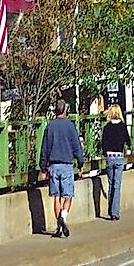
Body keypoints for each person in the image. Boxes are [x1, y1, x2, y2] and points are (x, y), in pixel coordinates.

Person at [39, 99, 84, 238]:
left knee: (56, 197)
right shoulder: (70, 126)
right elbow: (77, 146)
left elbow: (44, 148)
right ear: (65, 110)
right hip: (66, 165)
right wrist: (80, 163)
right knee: (68, 196)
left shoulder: (49, 126)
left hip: (53, 165)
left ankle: (59, 226)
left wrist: (43, 168)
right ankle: (63, 218)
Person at [101, 105, 131, 220]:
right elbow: (127, 141)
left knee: (110, 184)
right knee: (117, 185)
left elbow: (103, 143)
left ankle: (111, 210)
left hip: (109, 156)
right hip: (119, 157)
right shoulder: (122, 127)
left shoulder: (107, 127)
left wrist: (105, 152)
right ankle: (115, 212)